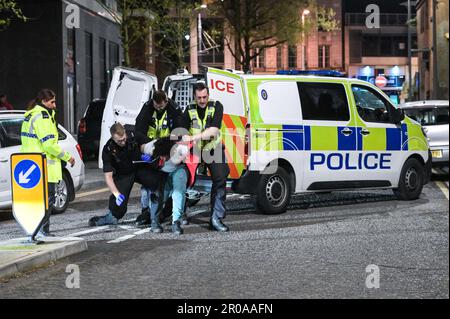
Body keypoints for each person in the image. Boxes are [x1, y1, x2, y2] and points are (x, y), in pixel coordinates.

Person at [20, 89, 75, 237]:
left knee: (40, 201)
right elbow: (49, 145)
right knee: (47, 201)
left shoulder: (32, 114)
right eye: (52, 102)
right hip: (44, 165)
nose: (54, 104)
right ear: (44, 102)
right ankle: (42, 231)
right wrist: (67, 156)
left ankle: (38, 231)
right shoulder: (42, 118)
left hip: (32, 164)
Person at [88, 123, 165, 227]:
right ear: (113, 138)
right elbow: (108, 177)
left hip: (139, 168)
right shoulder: (108, 150)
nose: (123, 142)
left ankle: (155, 212)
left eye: (124, 138)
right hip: (123, 174)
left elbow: (150, 145)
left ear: (125, 132)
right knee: (119, 202)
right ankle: (112, 216)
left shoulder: (133, 134)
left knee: (156, 181)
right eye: (119, 141)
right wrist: (116, 194)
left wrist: (147, 156)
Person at [135, 90, 188, 234]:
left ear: (166, 101)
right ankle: (148, 214)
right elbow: (138, 131)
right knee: (150, 187)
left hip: (170, 150)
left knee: (177, 187)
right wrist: (147, 147)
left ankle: (177, 215)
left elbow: (179, 133)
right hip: (151, 150)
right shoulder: (147, 108)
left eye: (161, 106)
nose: (158, 108)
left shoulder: (174, 109)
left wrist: (165, 150)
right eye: (156, 106)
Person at [182, 82, 230, 232]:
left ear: (208, 95)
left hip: (211, 148)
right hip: (194, 149)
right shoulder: (189, 109)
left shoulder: (217, 106)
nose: (202, 100)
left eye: (204, 97)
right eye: (199, 98)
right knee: (182, 177)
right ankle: (180, 213)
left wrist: (194, 136)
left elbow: (214, 131)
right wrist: (186, 137)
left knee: (220, 177)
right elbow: (182, 130)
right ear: (194, 97)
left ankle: (216, 218)